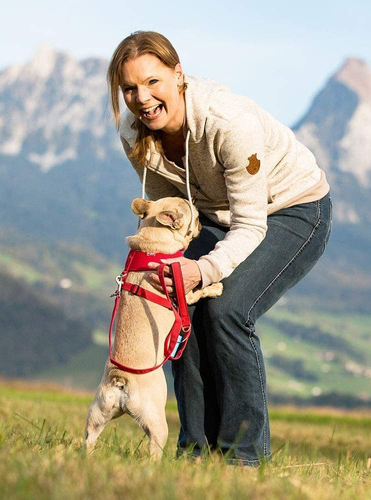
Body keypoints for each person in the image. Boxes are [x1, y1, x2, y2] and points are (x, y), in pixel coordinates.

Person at [108, 31, 332, 465]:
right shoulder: (133, 130)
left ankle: (243, 458)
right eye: (130, 89)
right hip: (215, 215)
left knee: (228, 310)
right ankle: (194, 451)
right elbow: (161, 208)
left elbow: (250, 225)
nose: (143, 98)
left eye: (153, 82)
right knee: (180, 305)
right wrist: (149, 269)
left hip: (290, 209)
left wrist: (203, 272)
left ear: (178, 75)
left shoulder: (227, 122)